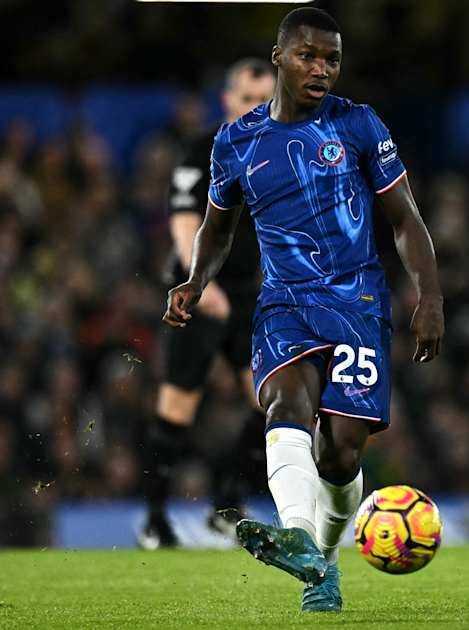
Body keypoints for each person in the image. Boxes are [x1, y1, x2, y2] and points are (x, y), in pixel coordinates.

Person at [162, 7, 443, 613]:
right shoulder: (236, 141)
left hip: (357, 302)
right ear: (279, 59)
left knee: (341, 452)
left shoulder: (358, 124)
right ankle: (297, 536)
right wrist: (195, 279)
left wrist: (431, 295)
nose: (321, 69)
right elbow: (217, 228)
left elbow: (405, 219)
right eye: (308, 56)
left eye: (331, 59)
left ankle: (324, 559)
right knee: (283, 405)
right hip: (284, 302)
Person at [139, 59, 275, 549]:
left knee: (271, 403)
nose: (256, 108)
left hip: (248, 294)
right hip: (198, 291)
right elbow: (182, 219)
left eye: (265, 100)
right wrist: (199, 280)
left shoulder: (281, 151)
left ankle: (228, 504)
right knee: (177, 408)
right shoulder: (204, 149)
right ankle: (154, 521)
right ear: (227, 100)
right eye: (248, 99)